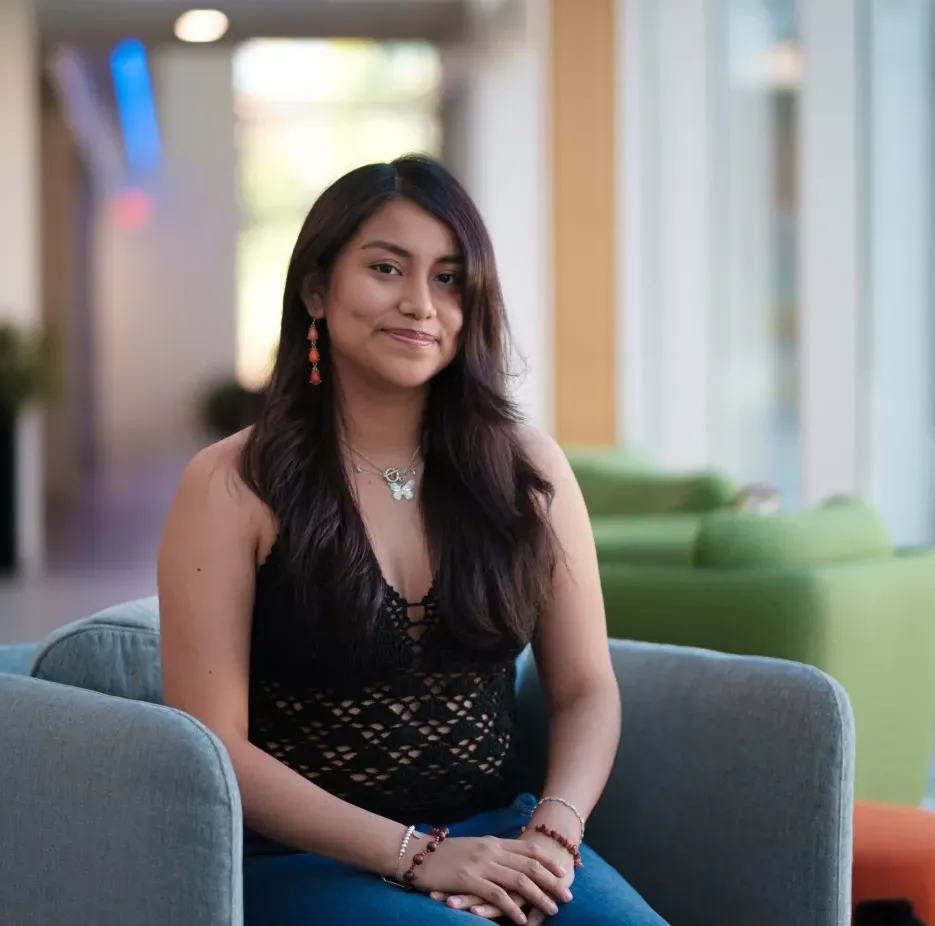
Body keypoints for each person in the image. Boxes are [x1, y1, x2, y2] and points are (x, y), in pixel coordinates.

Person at [157, 154, 668, 925]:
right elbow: (211, 743)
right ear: (316, 289)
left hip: (504, 838)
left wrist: (555, 836)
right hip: (304, 859)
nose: (420, 304)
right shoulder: (232, 483)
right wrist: (418, 855)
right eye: (387, 268)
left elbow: (586, 690)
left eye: (450, 278)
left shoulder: (528, 470)